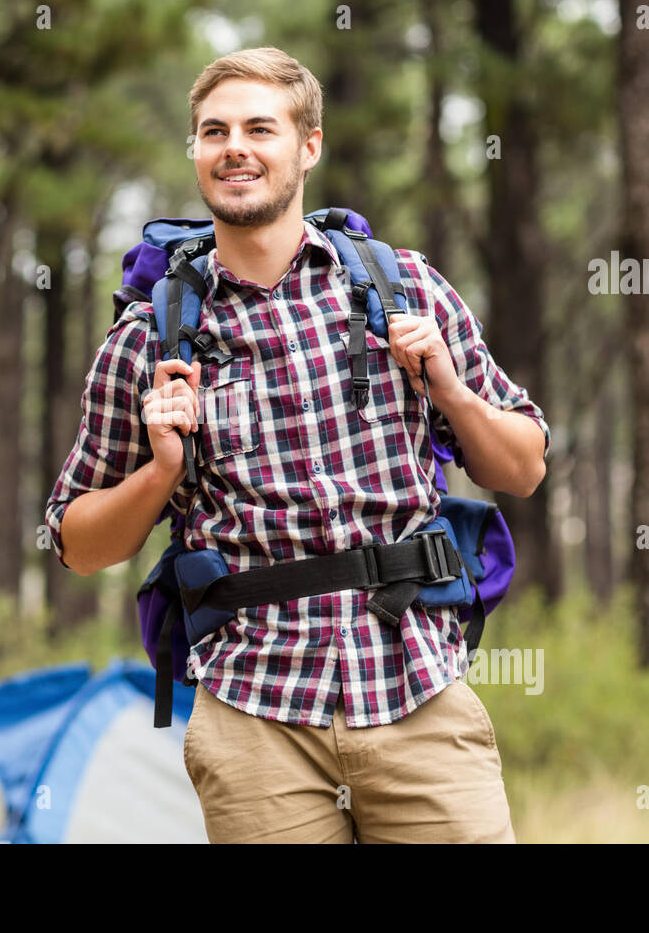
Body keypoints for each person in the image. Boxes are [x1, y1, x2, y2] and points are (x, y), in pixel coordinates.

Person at [44, 46, 550, 843]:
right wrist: (162, 471)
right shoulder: (149, 340)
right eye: (214, 132)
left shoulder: (403, 287)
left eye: (259, 128)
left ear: (307, 147)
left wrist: (449, 389)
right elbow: (75, 542)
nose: (234, 147)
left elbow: (523, 466)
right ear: (197, 152)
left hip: (417, 690)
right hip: (254, 717)